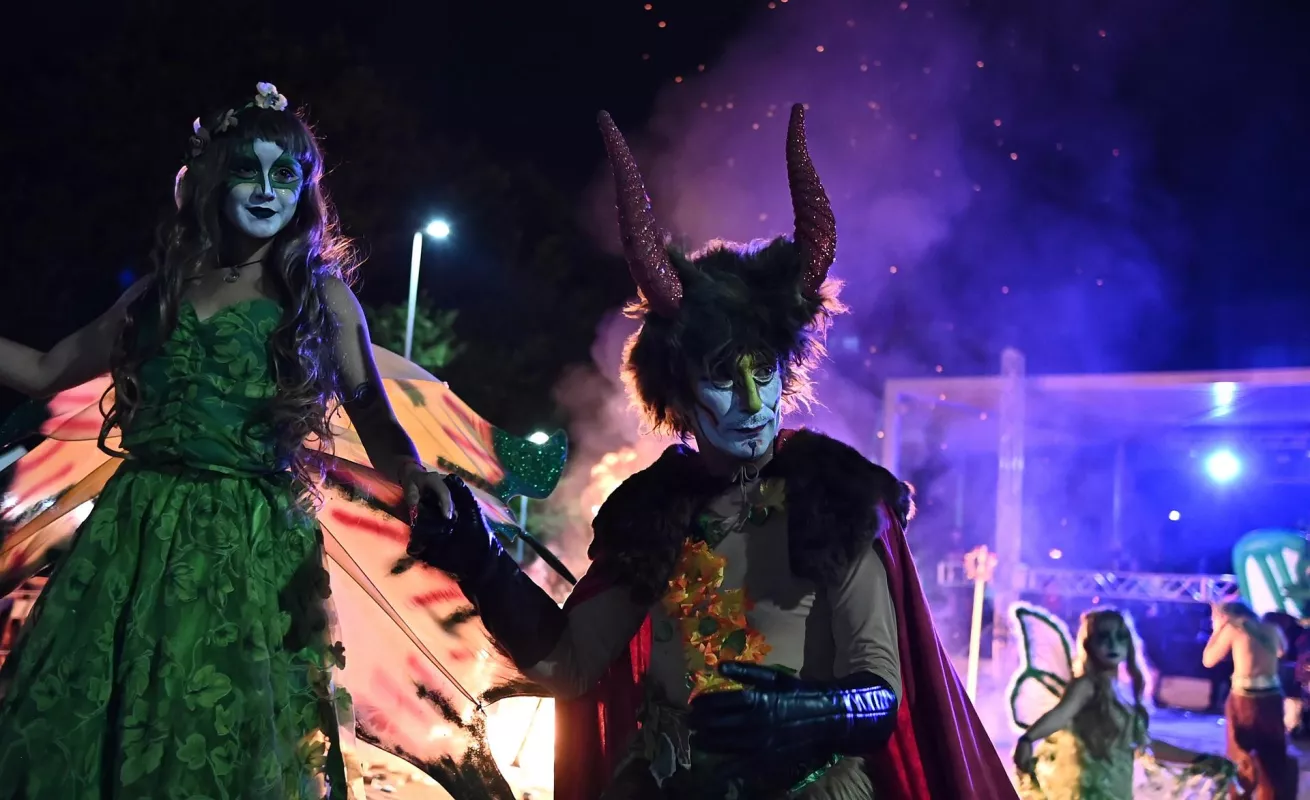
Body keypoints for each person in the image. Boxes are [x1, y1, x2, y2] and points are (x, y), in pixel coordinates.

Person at [408, 104, 1015, 799]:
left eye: (766, 372)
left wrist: (809, 713)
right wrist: (481, 563)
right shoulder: (654, 512)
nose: (755, 403)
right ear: (680, 391)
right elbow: (569, 665)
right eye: (726, 377)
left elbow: (881, 696)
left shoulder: (834, 496)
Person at [0, 82, 452, 799]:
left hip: (242, 545)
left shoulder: (317, 294)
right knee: (98, 721)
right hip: (134, 534)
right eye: (250, 170)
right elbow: (47, 369)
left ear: (305, 189)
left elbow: (371, 406)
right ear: (213, 178)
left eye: (286, 173)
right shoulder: (162, 290)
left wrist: (411, 469)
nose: (269, 190)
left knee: (210, 729)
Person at [1012, 607, 1233, 799]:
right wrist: (1027, 739)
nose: (1112, 644)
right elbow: (1061, 713)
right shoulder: (1086, 685)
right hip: (1087, 792)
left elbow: (1145, 746)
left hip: (1115, 792)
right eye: (1103, 637)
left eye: (1120, 637)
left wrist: (1201, 759)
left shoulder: (1119, 692)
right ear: (1089, 644)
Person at [1204, 601, 1296, 799]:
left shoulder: (1233, 628)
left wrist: (1217, 631)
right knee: (1273, 755)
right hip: (1272, 696)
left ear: (1224, 616)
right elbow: (1281, 651)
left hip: (1245, 698)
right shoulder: (1271, 628)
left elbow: (1208, 660)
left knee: (1240, 755)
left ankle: (1240, 795)